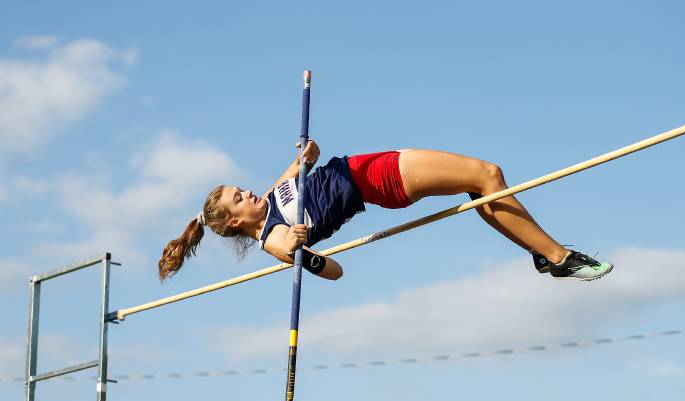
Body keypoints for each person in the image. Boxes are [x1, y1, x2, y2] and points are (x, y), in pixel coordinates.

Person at [158, 140, 613, 282]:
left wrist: (307, 152)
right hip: (377, 181)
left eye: (241, 190)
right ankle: (556, 257)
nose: (249, 195)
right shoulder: (272, 239)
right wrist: (305, 253)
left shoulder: (275, 193)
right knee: (487, 175)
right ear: (236, 222)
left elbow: (306, 160)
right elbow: (332, 271)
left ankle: (546, 254)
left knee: (484, 183)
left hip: (366, 167)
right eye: (240, 199)